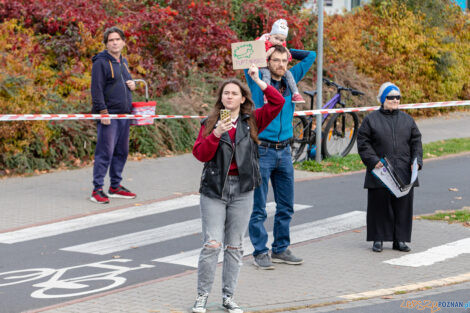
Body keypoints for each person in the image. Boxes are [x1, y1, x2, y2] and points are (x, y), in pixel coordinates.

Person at [191, 65, 285, 313]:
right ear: (221, 98)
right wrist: (216, 134)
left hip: (242, 190)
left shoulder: (251, 120)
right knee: (212, 244)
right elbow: (200, 154)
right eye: (225, 93)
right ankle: (202, 296)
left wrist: (258, 79)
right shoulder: (210, 122)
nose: (229, 96)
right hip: (214, 189)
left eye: (234, 93)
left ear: (243, 99)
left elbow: (278, 102)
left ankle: (228, 297)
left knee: (234, 247)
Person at [245, 45, 316, 269]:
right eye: (276, 60)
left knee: (286, 205)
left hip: (285, 150)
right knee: (259, 208)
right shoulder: (256, 80)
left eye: (285, 60)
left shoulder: (291, 78)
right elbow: (247, 56)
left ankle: (281, 249)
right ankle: (260, 252)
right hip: (262, 149)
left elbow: (311, 55)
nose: (281, 65)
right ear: (267, 61)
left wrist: (285, 46)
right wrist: (268, 44)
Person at [357, 82, 423, 253]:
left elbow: (416, 142)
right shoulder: (371, 120)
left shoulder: (408, 120)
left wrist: (416, 161)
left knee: (403, 207)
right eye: (390, 96)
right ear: (382, 99)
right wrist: (372, 160)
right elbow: (363, 143)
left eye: (397, 97)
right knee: (379, 206)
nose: (394, 100)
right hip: (380, 170)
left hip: (404, 171)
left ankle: (399, 240)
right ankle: (378, 239)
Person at [90, 26, 137, 204]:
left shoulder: (123, 62)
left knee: (121, 152)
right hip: (109, 115)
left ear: (123, 42)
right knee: (105, 152)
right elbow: (96, 89)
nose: (115, 42)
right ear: (106, 44)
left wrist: (132, 85)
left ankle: (115, 186)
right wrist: (103, 111)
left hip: (125, 116)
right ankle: (97, 190)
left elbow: (125, 82)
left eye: (118, 39)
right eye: (111, 40)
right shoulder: (100, 63)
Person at [256, 19, 305, 104]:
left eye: (281, 40)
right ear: (270, 36)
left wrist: (288, 53)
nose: (279, 42)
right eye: (276, 38)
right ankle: (267, 94)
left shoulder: (282, 47)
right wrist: (267, 54)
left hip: (276, 69)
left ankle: (295, 94)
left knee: (289, 74)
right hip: (263, 66)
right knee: (266, 74)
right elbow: (256, 60)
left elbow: (288, 59)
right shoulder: (263, 43)